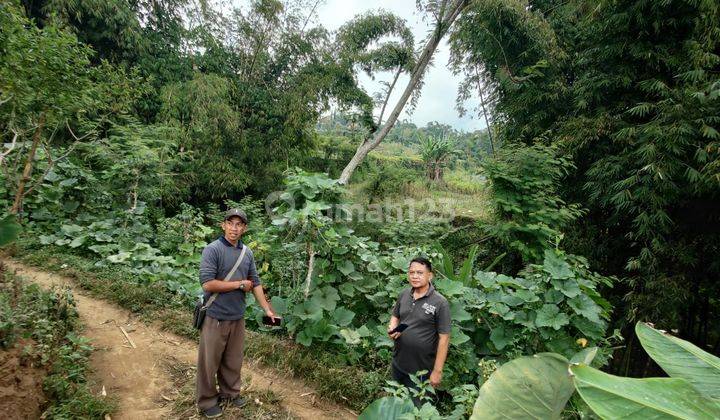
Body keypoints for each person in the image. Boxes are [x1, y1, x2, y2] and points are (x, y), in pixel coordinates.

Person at [196, 208, 276, 418]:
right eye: (230, 223)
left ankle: (230, 393)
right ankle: (206, 402)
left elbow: (255, 283)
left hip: (237, 317)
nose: (234, 228)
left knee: (233, 360)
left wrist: (267, 309)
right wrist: (239, 284)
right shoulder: (212, 250)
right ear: (223, 225)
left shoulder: (246, 253)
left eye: (239, 224)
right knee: (209, 362)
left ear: (244, 228)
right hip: (215, 316)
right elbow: (208, 284)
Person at [388, 257, 451, 402]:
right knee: (395, 404)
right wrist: (392, 327)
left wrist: (437, 371)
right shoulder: (404, 294)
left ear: (430, 275)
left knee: (416, 410)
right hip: (398, 363)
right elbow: (395, 315)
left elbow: (444, 338)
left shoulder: (440, 303)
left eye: (420, 273)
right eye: (411, 272)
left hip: (421, 371)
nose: (415, 276)